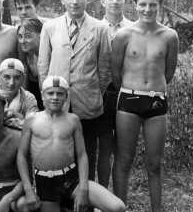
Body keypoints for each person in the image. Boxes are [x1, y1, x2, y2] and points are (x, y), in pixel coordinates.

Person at [38, 0, 111, 193]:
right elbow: (43, 66)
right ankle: (60, 198)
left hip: (87, 104)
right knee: (58, 151)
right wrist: (49, 96)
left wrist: (92, 92)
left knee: (86, 152)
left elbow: (105, 69)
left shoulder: (100, 28)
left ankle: (85, 197)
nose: (75, 1)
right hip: (57, 102)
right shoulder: (50, 27)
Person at [112, 0, 179, 212]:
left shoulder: (170, 36)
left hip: (157, 101)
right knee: (124, 160)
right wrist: (132, 89)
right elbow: (115, 72)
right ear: (135, 5)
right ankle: (119, 207)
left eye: (153, 5)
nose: (147, 9)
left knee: (154, 163)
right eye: (142, 4)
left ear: (160, 6)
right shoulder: (123, 35)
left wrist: (153, 89)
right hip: (129, 100)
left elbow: (168, 73)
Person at [17, 76, 126, 212]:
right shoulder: (32, 120)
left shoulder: (72, 120)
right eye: (50, 93)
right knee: (22, 206)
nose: (55, 97)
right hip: (45, 183)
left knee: (118, 207)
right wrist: (28, 189)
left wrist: (84, 189)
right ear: (43, 96)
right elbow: (21, 155)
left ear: (66, 97)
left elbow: (81, 155)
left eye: (60, 93)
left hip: (71, 180)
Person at [97, 0, 134, 188]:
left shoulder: (133, 28)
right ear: (103, 1)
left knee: (122, 151)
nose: (114, 2)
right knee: (104, 149)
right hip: (102, 94)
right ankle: (102, 196)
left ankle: (119, 197)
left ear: (125, 1)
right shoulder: (95, 27)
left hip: (126, 92)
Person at [17, 18, 43, 109]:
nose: (23, 41)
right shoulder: (26, 54)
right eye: (20, 36)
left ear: (41, 35)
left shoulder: (50, 55)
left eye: (28, 36)